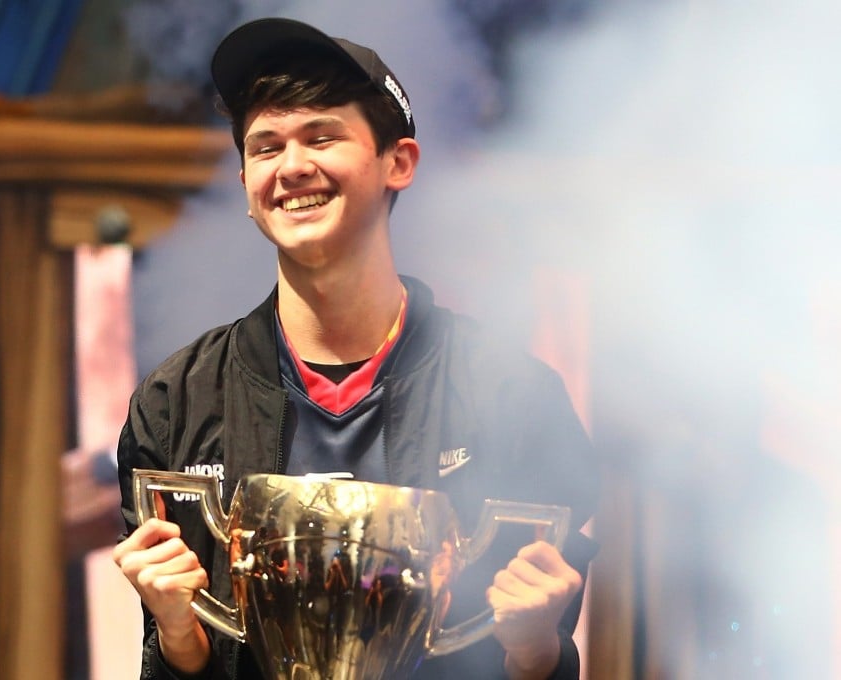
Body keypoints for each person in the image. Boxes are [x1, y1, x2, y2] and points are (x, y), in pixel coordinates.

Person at [113, 17, 599, 680]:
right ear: (247, 184)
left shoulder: (510, 395)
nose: (292, 167)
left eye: (322, 137)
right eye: (266, 147)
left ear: (399, 162)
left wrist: (536, 648)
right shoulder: (178, 402)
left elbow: (541, 657)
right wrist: (176, 634)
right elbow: (177, 658)